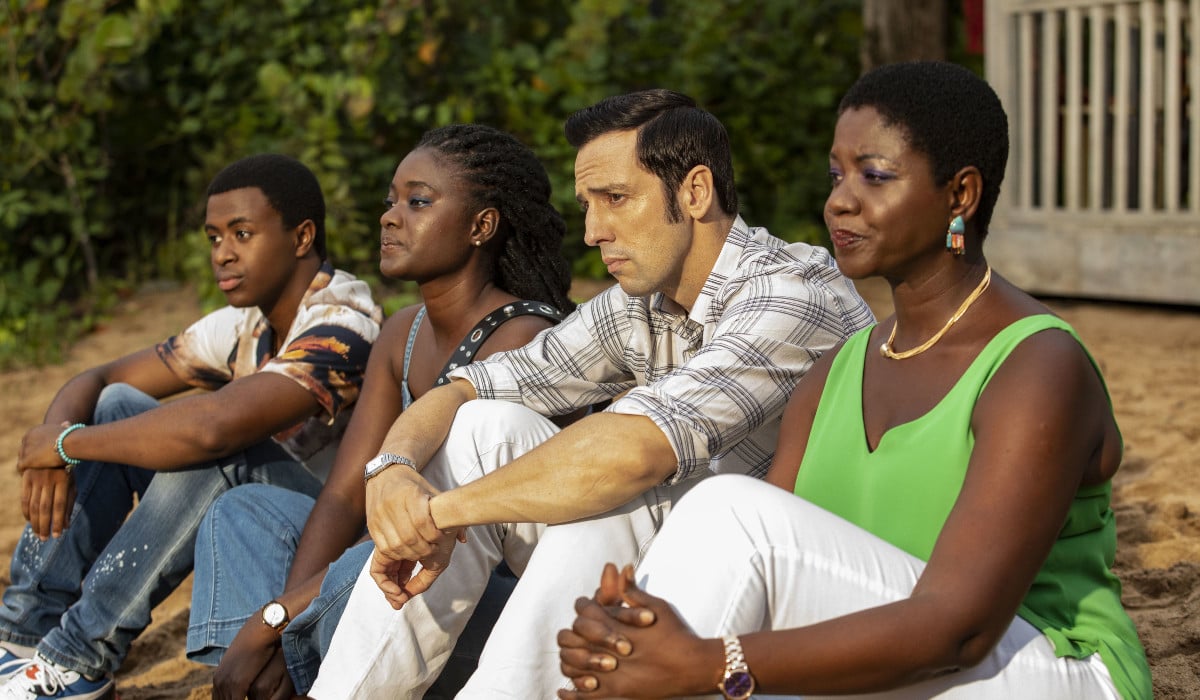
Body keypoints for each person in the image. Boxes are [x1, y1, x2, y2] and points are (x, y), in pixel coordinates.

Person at [556, 61, 1152, 700]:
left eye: (875, 176)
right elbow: (784, 580)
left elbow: (961, 631)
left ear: (961, 196)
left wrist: (705, 662)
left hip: (1048, 668)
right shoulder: (835, 373)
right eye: (836, 175)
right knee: (633, 601)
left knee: (724, 514)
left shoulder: (1038, 366)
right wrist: (632, 635)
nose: (840, 200)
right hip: (895, 660)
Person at [306, 89, 875, 699]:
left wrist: (437, 514)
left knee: (610, 502)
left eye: (616, 199)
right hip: (658, 581)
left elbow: (635, 452)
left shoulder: (791, 295)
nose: (592, 230)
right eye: (586, 204)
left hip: (785, 623)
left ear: (695, 192)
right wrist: (392, 471)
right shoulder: (643, 302)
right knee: (483, 427)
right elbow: (470, 385)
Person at [185, 123, 578, 700]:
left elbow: (452, 532)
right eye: (391, 201)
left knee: (390, 548)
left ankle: (290, 671)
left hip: (474, 601)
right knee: (246, 510)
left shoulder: (519, 339)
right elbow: (346, 494)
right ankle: (261, 678)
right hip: (393, 576)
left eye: (418, 201)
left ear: (481, 226)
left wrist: (276, 616)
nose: (390, 217)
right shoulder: (403, 331)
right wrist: (280, 626)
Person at [0, 154, 382, 700]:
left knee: (219, 447)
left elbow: (215, 429)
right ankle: (21, 633)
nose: (222, 253)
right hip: (257, 520)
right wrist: (57, 440)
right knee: (115, 407)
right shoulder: (247, 323)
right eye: (213, 237)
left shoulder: (345, 321)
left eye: (242, 233)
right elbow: (102, 376)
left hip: (328, 547)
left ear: (302, 237)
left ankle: (80, 657)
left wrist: (63, 443)